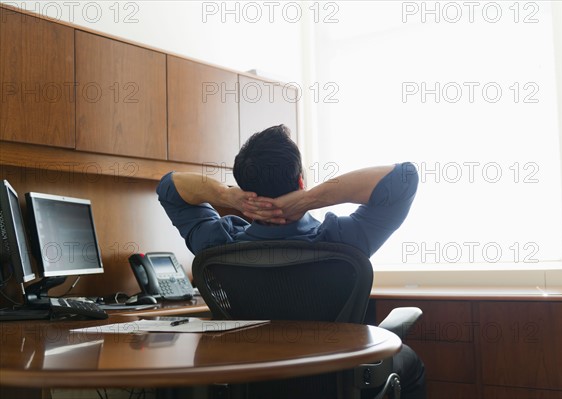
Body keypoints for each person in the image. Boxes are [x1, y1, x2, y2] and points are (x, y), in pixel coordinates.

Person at [156, 124, 426, 399]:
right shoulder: (342, 240)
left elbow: (169, 187)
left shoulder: (218, 245)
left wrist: (227, 196)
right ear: (300, 182)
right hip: (339, 381)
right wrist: (310, 198)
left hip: (255, 383)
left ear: (245, 190)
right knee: (409, 360)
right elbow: (404, 177)